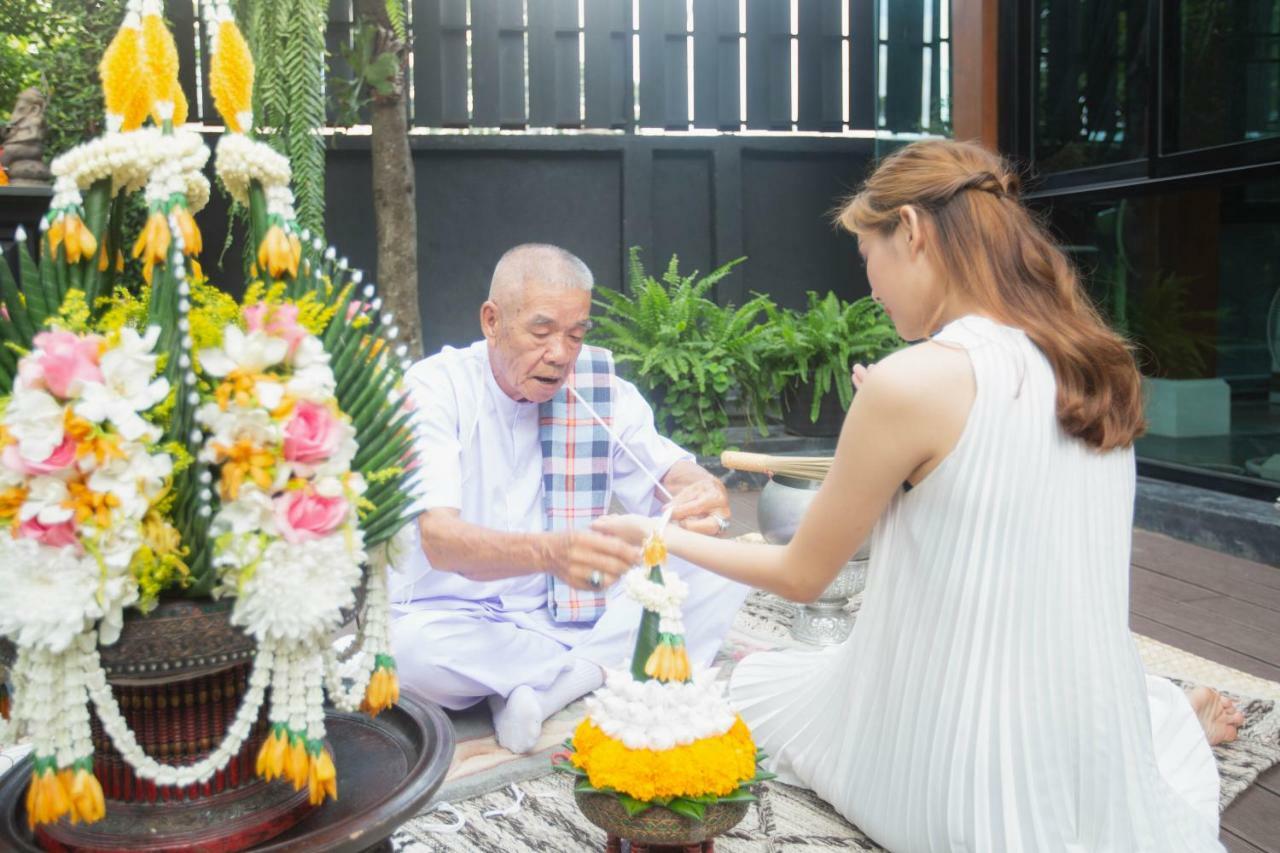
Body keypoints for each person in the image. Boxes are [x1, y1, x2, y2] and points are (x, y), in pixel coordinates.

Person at [594, 140, 1242, 852]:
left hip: (964, 786)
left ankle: (1166, 715)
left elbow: (803, 577)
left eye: (866, 255)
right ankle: (1160, 718)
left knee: (747, 690)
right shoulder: (1098, 361)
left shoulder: (914, 382)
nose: (869, 285)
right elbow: (1005, 501)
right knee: (797, 676)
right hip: (1092, 743)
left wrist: (654, 535)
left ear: (911, 228)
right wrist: (896, 437)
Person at [389, 243, 749, 754]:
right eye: (541, 332)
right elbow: (440, 542)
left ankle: (545, 687)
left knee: (717, 564)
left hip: (575, 605)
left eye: (576, 334)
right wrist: (549, 553)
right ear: (491, 321)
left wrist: (696, 486)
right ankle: (586, 669)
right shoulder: (433, 389)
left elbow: (663, 468)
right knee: (406, 657)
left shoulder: (595, 387)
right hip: (452, 615)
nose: (560, 353)